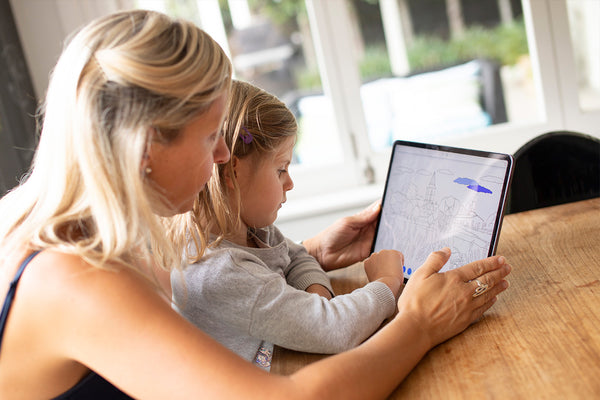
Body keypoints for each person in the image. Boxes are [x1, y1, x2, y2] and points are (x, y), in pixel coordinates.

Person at [0, 9, 511, 400]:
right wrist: (418, 324)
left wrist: (311, 252)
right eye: (208, 140)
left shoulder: (51, 224)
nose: (223, 155)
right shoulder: (77, 278)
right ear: (146, 148)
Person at [171, 80, 404, 370]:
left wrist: (316, 297)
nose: (289, 183)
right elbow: (335, 330)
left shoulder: (249, 229)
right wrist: (387, 283)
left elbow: (294, 256)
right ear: (233, 172)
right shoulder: (222, 272)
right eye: (281, 169)